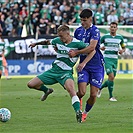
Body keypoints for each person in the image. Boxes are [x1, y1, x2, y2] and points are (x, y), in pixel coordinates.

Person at [27, 25, 96, 123]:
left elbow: (92, 50)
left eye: (62, 36)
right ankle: (47, 91)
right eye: (59, 36)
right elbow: (47, 41)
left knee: (71, 90)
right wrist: (36, 43)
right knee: (31, 84)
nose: (60, 38)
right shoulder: (57, 40)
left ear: (68, 34)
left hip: (66, 73)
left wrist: (82, 61)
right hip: (54, 71)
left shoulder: (78, 43)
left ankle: (78, 112)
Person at [68, 9, 104, 122]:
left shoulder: (95, 31)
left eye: (84, 20)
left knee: (93, 95)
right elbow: (74, 47)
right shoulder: (78, 31)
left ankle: (85, 113)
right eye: (81, 20)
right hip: (83, 67)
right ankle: (78, 108)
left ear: (90, 19)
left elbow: (91, 48)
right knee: (82, 92)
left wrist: (77, 54)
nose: (82, 23)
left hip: (97, 66)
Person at [97, 22, 125, 101]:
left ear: (117, 28)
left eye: (114, 27)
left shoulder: (120, 38)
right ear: (109, 28)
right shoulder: (105, 37)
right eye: (111, 27)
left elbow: (123, 47)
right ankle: (111, 96)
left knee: (111, 79)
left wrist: (122, 51)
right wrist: (101, 47)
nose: (112, 28)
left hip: (115, 59)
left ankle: (100, 88)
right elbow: (97, 44)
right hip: (107, 59)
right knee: (111, 76)